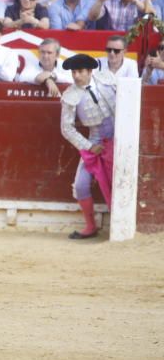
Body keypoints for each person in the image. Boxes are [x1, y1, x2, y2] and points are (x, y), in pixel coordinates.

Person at [59, 53, 117, 239]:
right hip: (96, 142)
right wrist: (89, 146)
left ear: (90, 71)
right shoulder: (70, 95)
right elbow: (66, 128)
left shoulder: (108, 80)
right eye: (73, 72)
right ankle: (90, 227)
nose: (76, 76)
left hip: (120, 139)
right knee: (81, 185)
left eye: (80, 71)